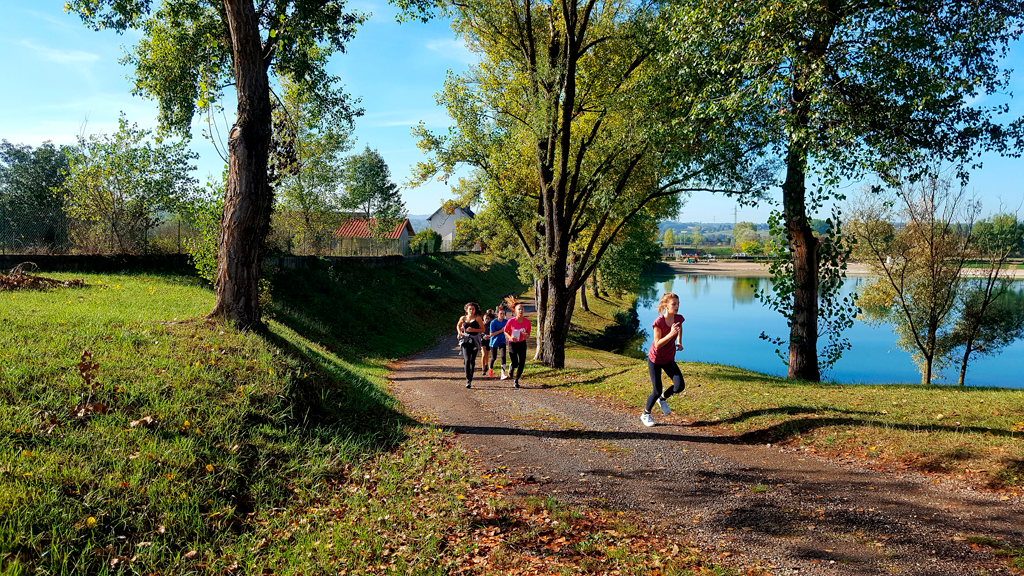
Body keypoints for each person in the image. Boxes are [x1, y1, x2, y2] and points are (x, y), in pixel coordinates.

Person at [639, 292, 685, 427]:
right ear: (666, 306)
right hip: (655, 359)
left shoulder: (678, 318)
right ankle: (645, 414)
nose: (677, 306)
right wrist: (671, 335)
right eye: (674, 304)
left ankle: (662, 399)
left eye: (678, 304)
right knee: (656, 389)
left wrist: (679, 341)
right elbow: (657, 343)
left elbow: (679, 328)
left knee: (679, 386)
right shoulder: (659, 322)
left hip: (669, 358)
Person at [457, 302, 485, 388]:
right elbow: (458, 325)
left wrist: (473, 330)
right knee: (467, 360)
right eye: (470, 309)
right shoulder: (463, 318)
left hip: (474, 341)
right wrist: (460, 332)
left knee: (472, 361)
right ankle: (468, 380)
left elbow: (482, 329)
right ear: (466, 310)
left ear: (475, 310)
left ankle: (471, 377)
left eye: (473, 309)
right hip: (465, 340)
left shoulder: (478, 318)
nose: (471, 311)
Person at [503, 302, 532, 388]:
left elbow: (528, 334)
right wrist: (510, 337)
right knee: (515, 363)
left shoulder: (527, 322)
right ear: (515, 311)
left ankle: (516, 380)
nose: (521, 310)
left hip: (522, 343)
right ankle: (512, 366)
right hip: (512, 344)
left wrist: (526, 335)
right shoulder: (511, 321)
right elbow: (505, 331)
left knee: (522, 363)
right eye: (519, 309)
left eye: (522, 309)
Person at [489, 306, 509, 379]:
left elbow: (509, 329)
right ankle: (490, 368)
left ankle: (503, 373)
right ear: (497, 314)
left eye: (503, 314)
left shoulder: (506, 321)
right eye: (501, 313)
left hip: (502, 341)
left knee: (503, 356)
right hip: (494, 342)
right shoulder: (493, 322)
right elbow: (491, 334)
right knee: (494, 357)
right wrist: (501, 331)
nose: (502, 315)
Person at [480, 309, 496, 378]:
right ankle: (483, 369)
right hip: (482, 340)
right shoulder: (481, 324)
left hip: (489, 340)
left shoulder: (491, 324)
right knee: (483, 354)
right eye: (485, 318)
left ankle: (486, 364)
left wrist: (489, 336)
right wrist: (483, 335)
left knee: (487, 354)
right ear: (483, 318)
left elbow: (493, 332)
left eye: (488, 318)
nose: (487, 320)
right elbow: (479, 332)